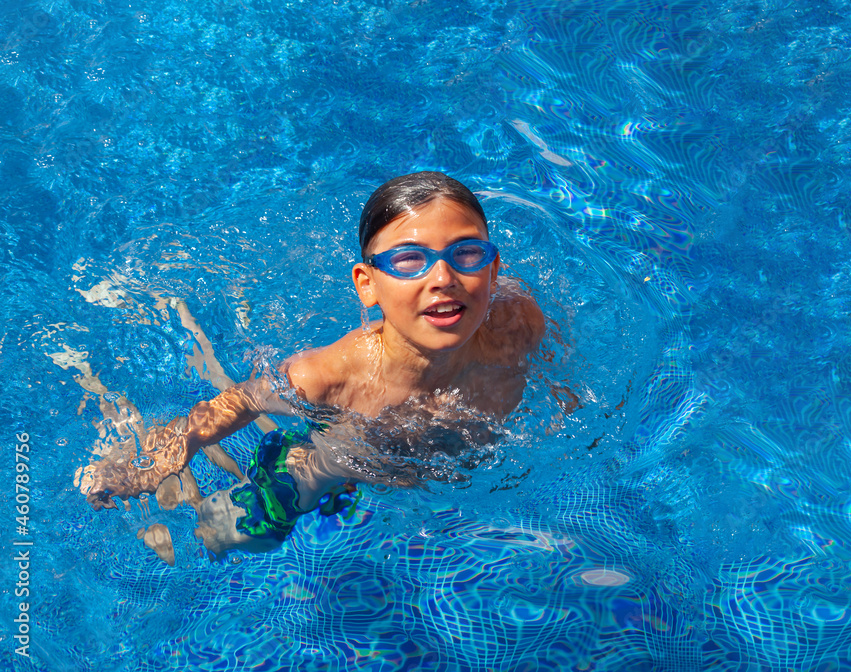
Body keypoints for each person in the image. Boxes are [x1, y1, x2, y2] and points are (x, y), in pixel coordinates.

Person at [84, 172, 545, 557]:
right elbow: (243, 399)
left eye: (465, 253)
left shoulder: (518, 322)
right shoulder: (329, 375)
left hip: (441, 453)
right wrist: (163, 455)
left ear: (493, 269)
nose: (443, 277)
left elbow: (551, 365)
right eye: (410, 260)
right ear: (368, 286)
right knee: (239, 531)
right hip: (345, 454)